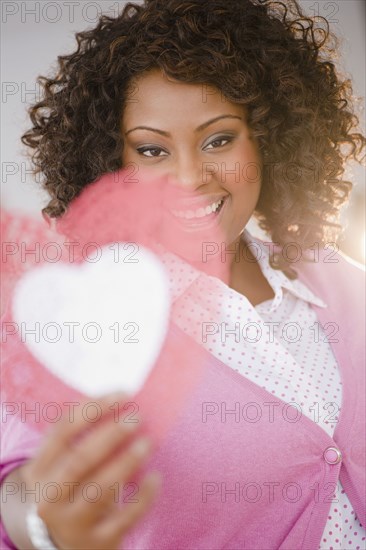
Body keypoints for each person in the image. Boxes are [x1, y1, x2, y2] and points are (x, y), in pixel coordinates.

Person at [1, 0, 365, 549]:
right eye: (152, 150)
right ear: (113, 166)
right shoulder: (91, 315)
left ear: (268, 135)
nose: (190, 177)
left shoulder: (339, 281)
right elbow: (20, 482)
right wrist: (43, 525)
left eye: (219, 139)